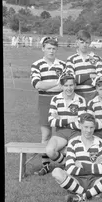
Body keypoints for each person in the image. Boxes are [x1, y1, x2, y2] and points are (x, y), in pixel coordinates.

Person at [51, 113, 102, 202]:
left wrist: (82, 165)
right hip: (77, 180)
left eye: (91, 127)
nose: (88, 130)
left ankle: (81, 196)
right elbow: (69, 168)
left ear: (94, 127)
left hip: (96, 180)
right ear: (80, 126)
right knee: (56, 172)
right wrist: (94, 166)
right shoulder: (73, 142)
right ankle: (93, 193)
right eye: (86, 127)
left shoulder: (101, 143)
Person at [30, 36, 66, 175]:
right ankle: (45, 165)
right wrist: (56, 84)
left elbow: (64, 86)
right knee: (46, 135)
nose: (51, 51)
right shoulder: (37, 64)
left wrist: (54, 86)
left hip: (60, 100)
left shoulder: (62, 65)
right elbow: (37, 84)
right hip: (44, 100)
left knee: (63, 134)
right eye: (49, 48)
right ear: (43, 49)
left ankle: (66, 163)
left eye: (54, 48)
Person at [45, 71, 87, 169]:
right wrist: (71, 119)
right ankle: (65, 164)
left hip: (76, 133)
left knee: (78, 155)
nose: (69, 88)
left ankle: (73, 169)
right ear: (61, 86)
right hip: (61, 133)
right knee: (50, 151)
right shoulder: (55, 99)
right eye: (66, 85)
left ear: (75, 85)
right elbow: (51, 122)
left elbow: (80, 123)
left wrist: (61, 120)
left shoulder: (80, 100)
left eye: (71, 85)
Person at [65, 30, 100, 103]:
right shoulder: (71, 59)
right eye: (82, 42)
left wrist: (80, 79)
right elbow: (71, 79)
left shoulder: (97, 58)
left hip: (94, 95)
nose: (84, 45)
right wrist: (90, 76)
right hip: (77, 96)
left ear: (90, 43)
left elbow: (100, 79)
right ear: (77, 42)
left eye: (87, 42)